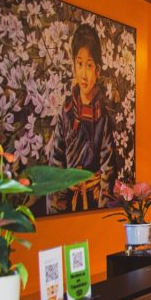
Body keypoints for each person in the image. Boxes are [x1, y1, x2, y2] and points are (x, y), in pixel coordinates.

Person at [49, 23, 113, 212]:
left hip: (93, 200)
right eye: (79, 64)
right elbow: (56, 162)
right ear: (73, 66)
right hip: (69, 202)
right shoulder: (66, 112)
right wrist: (57, 206)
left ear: (98, 71)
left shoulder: (103, 117)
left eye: (89, 65)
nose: (84, 74)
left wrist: (102, 209)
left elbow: (108, 170)